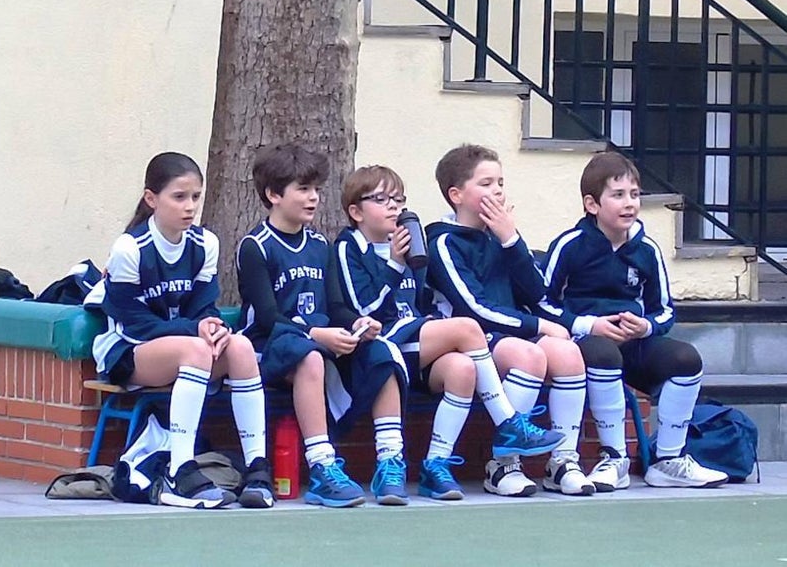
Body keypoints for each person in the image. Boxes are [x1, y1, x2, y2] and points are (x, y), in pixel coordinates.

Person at [333, 164, 565, 500]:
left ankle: (435, 465)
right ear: (356, 211)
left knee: (463, 367)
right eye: (381, 200)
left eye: (399, 199)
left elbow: (420, 303)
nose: (394, 208)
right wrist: (395, 266)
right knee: (468, 328)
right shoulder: (349, 246)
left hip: (415, 343)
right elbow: (366, 310)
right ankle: (509, 423)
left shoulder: (414, 244)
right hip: (380, 345)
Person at [87, 152, 274, 509]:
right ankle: (180, 468)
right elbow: (135, 325)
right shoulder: (130, 249)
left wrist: (214, 327)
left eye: (195, 197)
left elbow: (205, 308)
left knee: (240, 348)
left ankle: (257, 468)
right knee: (197, 350)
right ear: (151, 199)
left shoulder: (206, 244)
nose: (190, 207)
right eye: (179, 197)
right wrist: (196, 330)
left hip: (187, 348)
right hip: (130, 351)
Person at [541, 151, 728, 489]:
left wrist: (647, 327)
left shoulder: (647, 250)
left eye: (635, 194)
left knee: (686, 359)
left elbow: (666, 310)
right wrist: (588, 325)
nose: (629, 204)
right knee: (603, 352)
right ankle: (615, 459)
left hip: (634, 343)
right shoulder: (570, 245)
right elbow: (541, 303)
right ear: (592, 204)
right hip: (585, 344)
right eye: (618, 195)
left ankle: (668, 460)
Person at [236, 144, 409, 507]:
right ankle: (322, 466)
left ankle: (390, 460)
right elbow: (267, 318)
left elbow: (334, 307)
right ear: (273, 195)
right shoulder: (255, 246)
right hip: (271, 345)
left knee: (380, 352)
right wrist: (317, 335)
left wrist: (357, 323)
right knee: (310, 357)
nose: (313, 197)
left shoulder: (319, 244)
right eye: (303, 189)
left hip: (320, 341)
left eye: (316, 189)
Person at [425, 144, 594, 497]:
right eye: (486, 183)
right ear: (456, 195)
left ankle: (563, 461)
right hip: (471, 341)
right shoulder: (443, 240)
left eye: (501, 182)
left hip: (509, 332)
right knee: (529, 354)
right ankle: (504, 465)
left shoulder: (501, 235)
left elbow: (536, 292)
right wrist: (537, 326)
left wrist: (510, 239)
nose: (498, 191)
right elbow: (473, 307)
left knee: (567, 354)